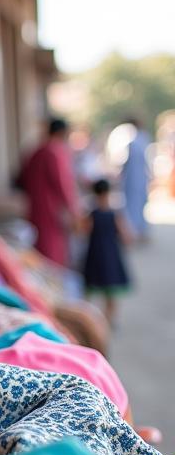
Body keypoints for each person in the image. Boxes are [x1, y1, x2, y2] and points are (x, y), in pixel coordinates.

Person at [18, 116, 83, 267]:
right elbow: (63, 184)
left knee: (40, 245)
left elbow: (22, 178)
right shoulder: (55, 152)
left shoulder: (36, 150)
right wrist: (74, 211)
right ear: (62, 132)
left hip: (35, 206)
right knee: (52, 248)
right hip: (51, 209)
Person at [82, 178, 131, 326]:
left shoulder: (92, 214)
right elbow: (126, 236)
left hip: (95, 255)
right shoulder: (114, 214)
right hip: (110, 255)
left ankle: (91, 319)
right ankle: (108, 320)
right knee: (110, 290)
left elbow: (83, 231)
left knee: (90, 288)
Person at [121, 116, 151, 242]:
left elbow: (127, 162)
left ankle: (134, 232)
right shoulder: (143, 139)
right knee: (139, 205)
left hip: (133, 179)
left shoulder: (133, 142)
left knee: (133, 206)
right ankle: (139, 232)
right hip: (140, 178)